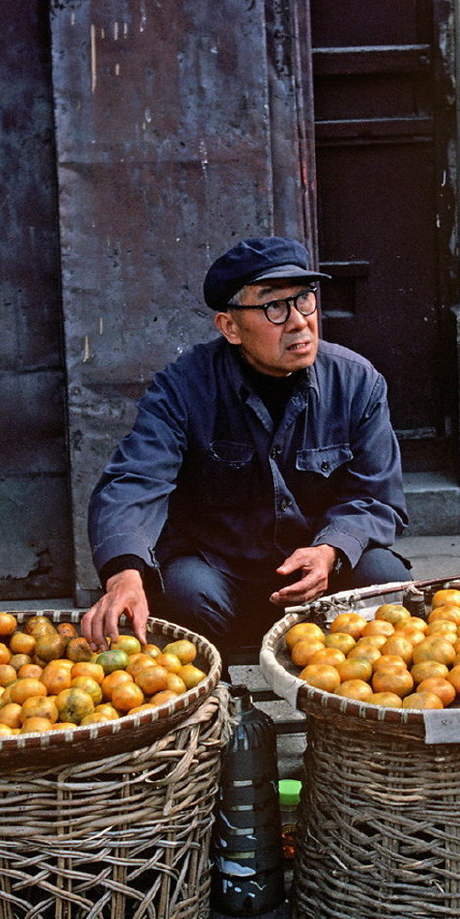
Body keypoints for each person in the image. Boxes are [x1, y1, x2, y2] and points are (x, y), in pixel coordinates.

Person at [81, 236, 412, 653]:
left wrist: (331, 550)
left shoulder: (357, 382)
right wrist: (124, 571)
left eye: (304, 299)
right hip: (221, 574)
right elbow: (134, 480)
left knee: (383, 577)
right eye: (274, 306)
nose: (298, 321)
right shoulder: (184, 387)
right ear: (230, 327)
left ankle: (352, 708)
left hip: (318, 571)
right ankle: (220, 703)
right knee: (183, 590)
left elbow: (377, 497)